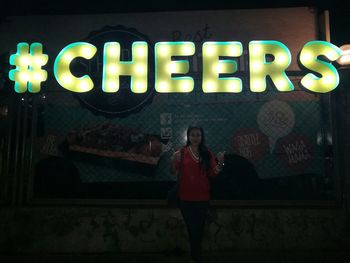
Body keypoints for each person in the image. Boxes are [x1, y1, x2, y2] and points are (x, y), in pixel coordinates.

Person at [171, 126, 225, 263]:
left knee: (199, 228)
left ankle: (196, 256)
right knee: (191, 228)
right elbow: (173, 172)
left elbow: (213, 173)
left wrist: (221, 162)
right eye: (193, 135)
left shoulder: (207, 153)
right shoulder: (181, 152)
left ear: (202, 137)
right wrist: (173, 160)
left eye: (198, 135)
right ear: (188, 136)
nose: (195, 138)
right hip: (186, 198)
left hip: (202, 198)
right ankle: (196, 256)